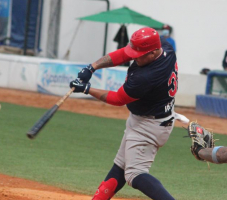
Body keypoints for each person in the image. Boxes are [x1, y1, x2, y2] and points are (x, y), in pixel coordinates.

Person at [69, 27, 182, 200]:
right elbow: (124, 54)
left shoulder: (146, 77)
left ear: (152, 53)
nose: (134, 57)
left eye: (139, 54)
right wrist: (92, 67)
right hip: (148, 118)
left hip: (149, 126)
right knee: (119, 168)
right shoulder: (164, 46)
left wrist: (87, 89)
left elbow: (118, 99)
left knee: (134, 174)